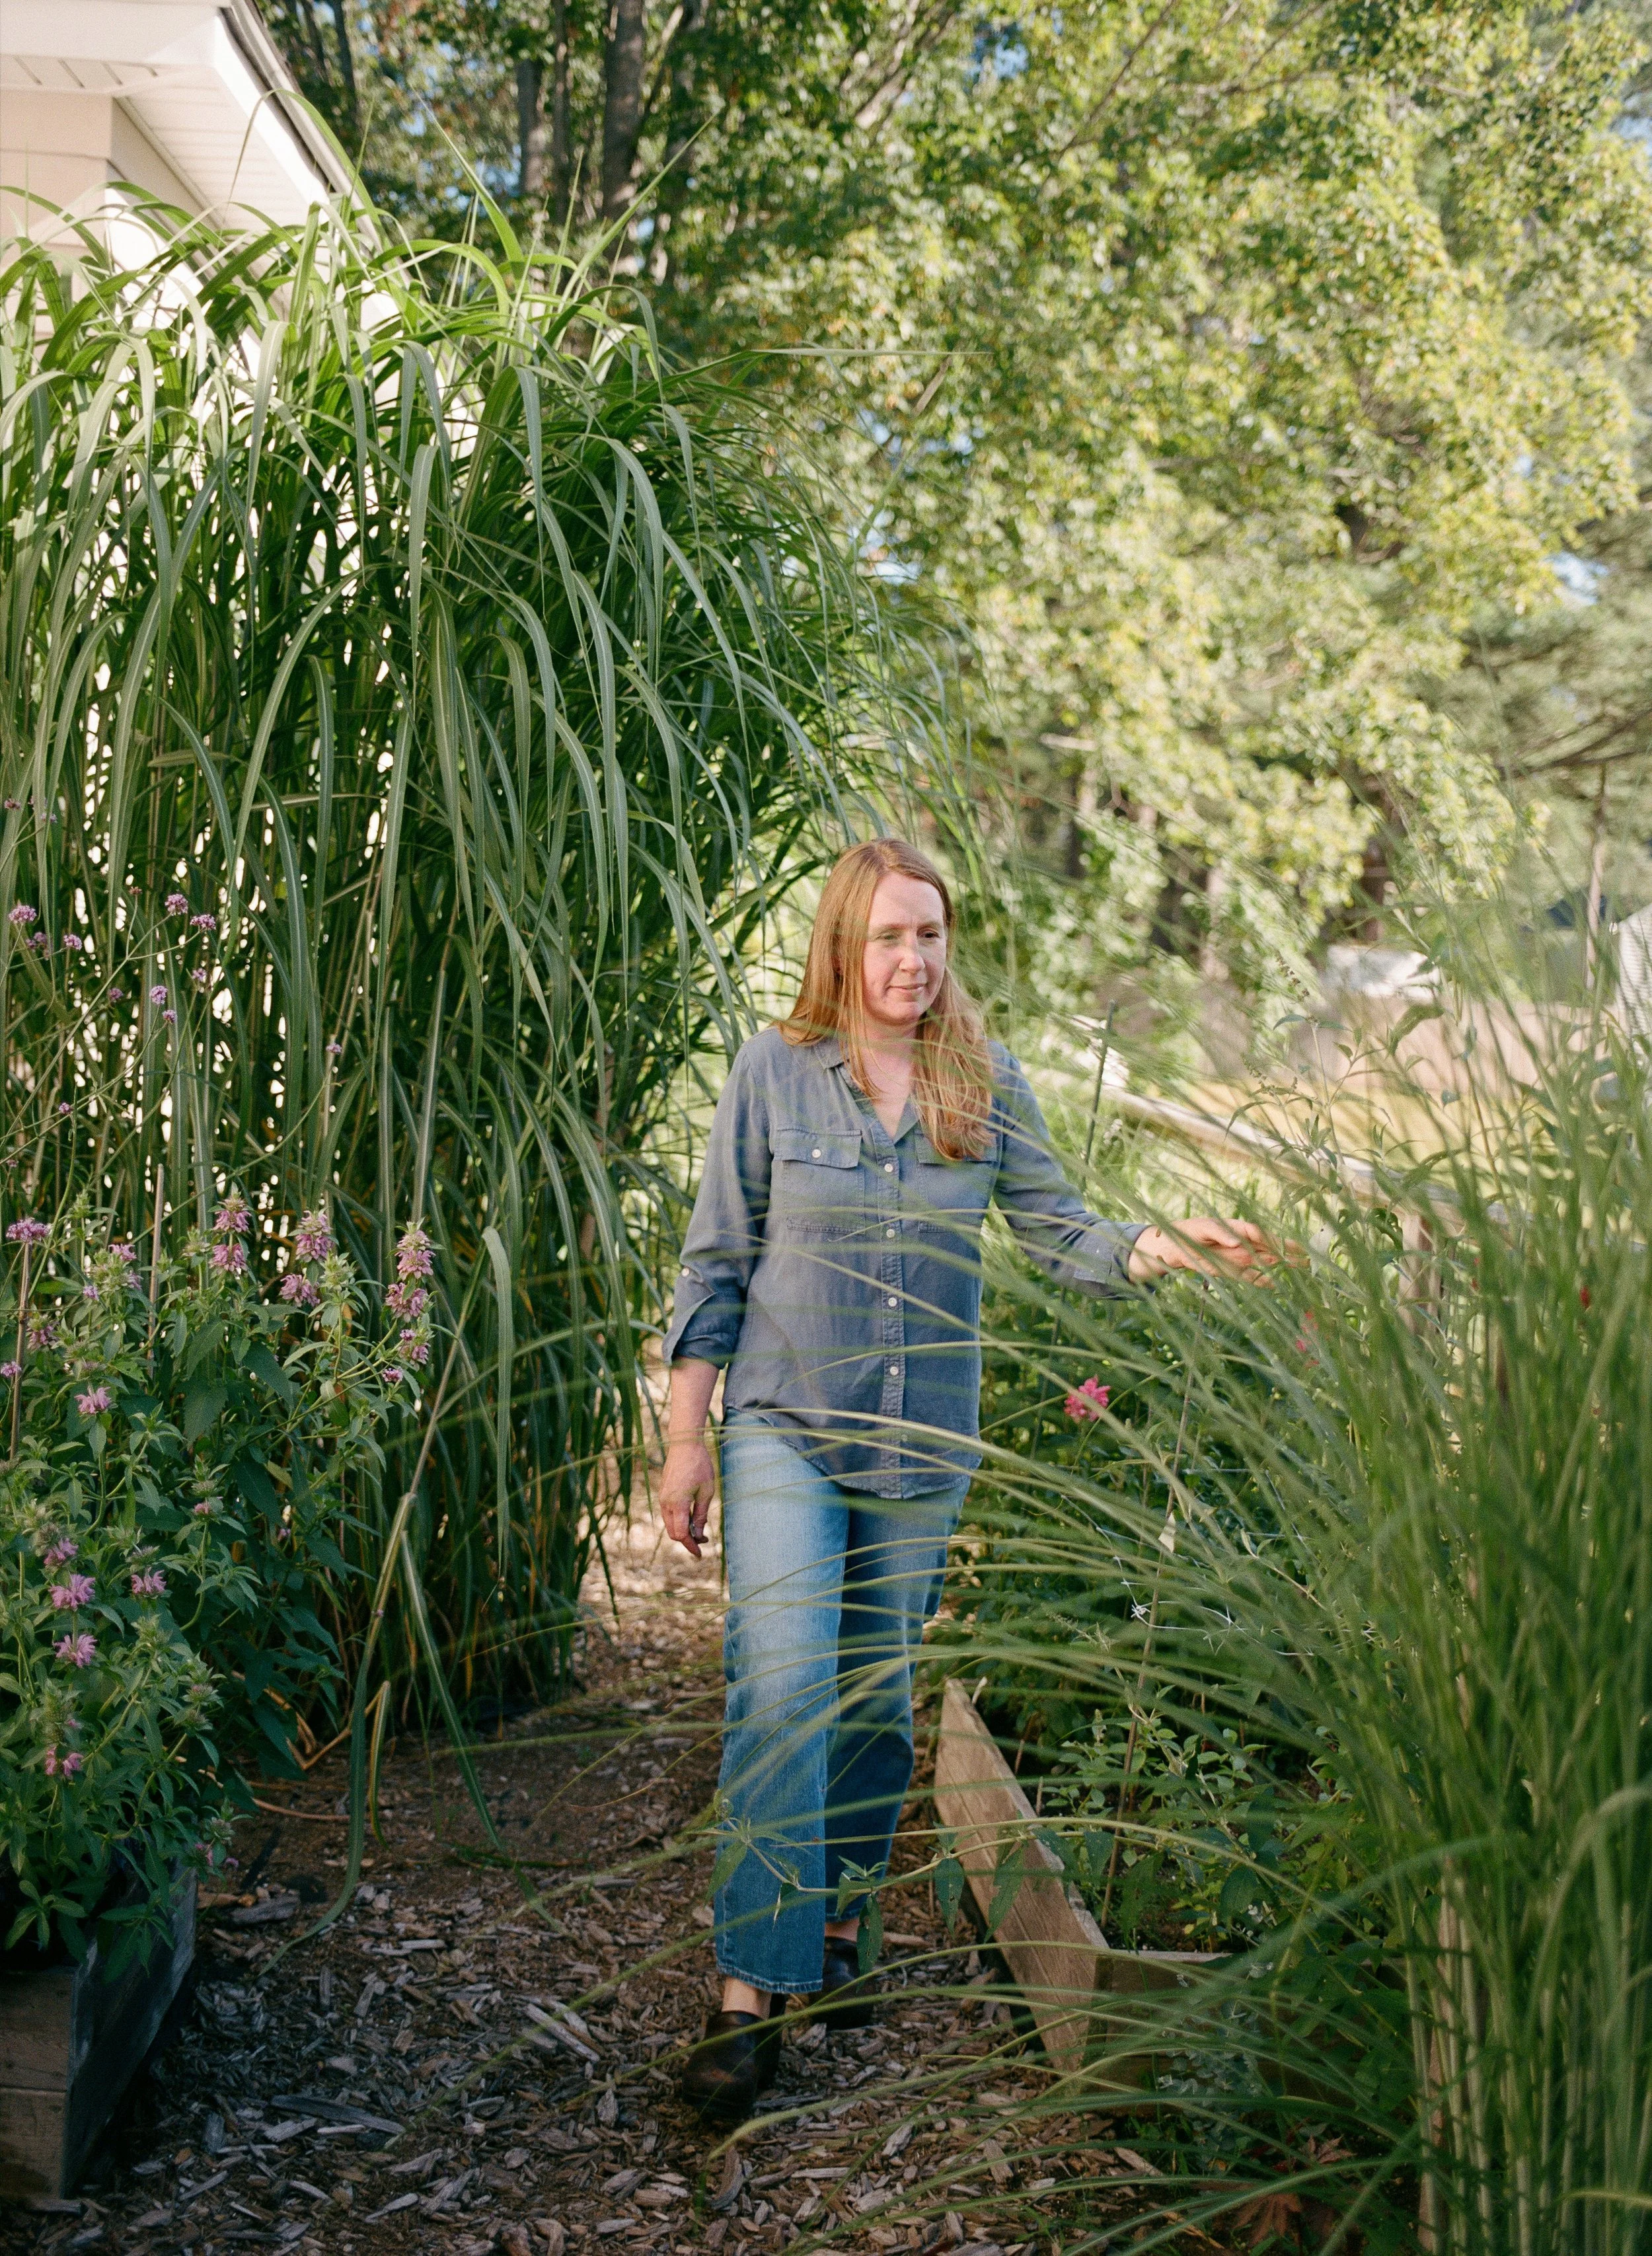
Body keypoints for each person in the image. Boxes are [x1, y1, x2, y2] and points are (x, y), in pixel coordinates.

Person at [658, 838, 1267, 2122]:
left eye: (929, 934)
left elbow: (1064, 1232)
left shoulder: (980, 1080)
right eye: (888, 935)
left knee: (875, 1705)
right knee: (782, 1690)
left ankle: (836, 1925)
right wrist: (683, 1440)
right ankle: (747, 1994)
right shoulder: (775, 1071)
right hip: (784, 1429)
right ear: (843, 943)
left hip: (919, 1444)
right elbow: (715, 1262)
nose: (912, 959)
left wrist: (1174, 1246)